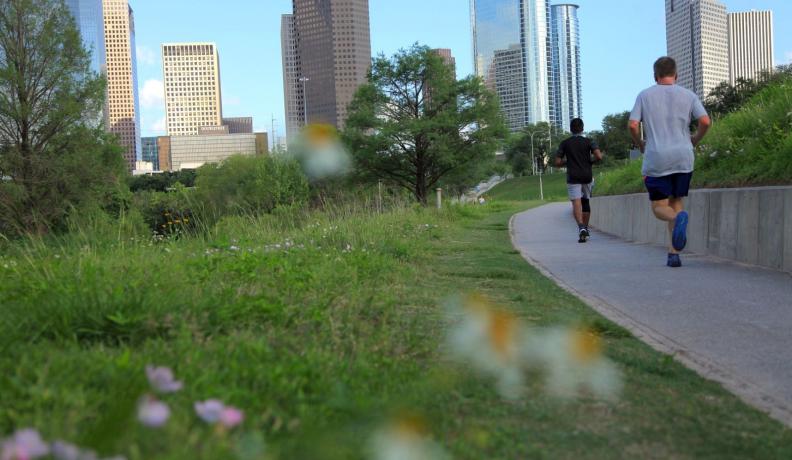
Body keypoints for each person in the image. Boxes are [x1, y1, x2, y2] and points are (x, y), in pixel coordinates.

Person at [628, 56, 711, 268]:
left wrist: (640, 143)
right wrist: (694, 140)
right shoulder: (689, 95)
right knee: (676, 201)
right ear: (676, 74)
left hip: (657, 158)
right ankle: (673, 254)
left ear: (655, 76)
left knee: (659, 208)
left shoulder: (645, 95)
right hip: (683, 157)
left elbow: (633, 125)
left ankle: (680, 218)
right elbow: (705, 121)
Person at [555, 118, 604, 243]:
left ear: (571, 129)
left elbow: (557, 162)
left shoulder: (565, 143)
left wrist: (568, 161)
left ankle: (581, 227)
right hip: (587, 175)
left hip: (573, 176)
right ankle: (585, 229)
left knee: (576, 202)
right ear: (582, 128)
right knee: (585, 201)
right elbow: (599, 156)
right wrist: (590, 161)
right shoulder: (589, 141)